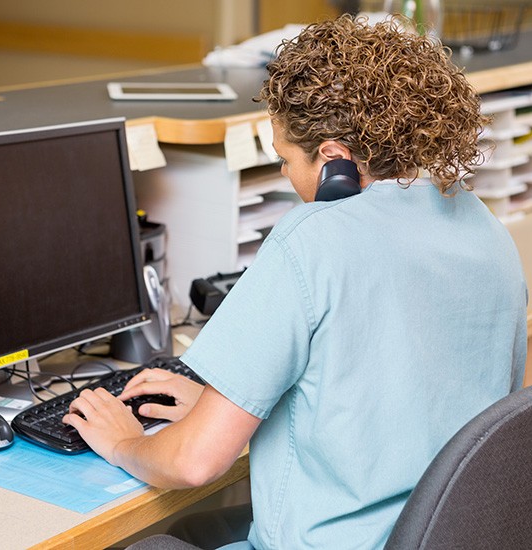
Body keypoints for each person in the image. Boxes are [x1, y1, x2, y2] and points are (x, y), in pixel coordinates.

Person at [62, 15, 528, 549]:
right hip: (440, 534)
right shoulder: (483, 226)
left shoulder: (312, 240)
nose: (285, 175)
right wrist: (230, 409)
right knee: (197, 529)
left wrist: (123, 443)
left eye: (285, 159)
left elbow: (193, 463)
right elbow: (415, 407)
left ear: (333, 158)